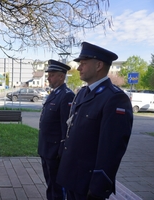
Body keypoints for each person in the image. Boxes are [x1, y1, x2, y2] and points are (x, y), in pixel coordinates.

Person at [56, 42, 133, 200]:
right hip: (71, 175)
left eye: (83, 64)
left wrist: (99, 185)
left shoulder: (115, 98)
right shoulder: (83, 93)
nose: (78, 68)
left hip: (88, 183)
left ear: (99, 65)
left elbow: (112, 149)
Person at [38, 59, 75, 200]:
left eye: (52, 74)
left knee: (57, 187)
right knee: (50, 184)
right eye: (49, 74)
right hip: (46, 148)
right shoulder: (54, 93)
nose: (48, 77)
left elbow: (66, 126)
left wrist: (61, 150)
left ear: (61, 76)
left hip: (55, 151)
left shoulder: (67, 95)